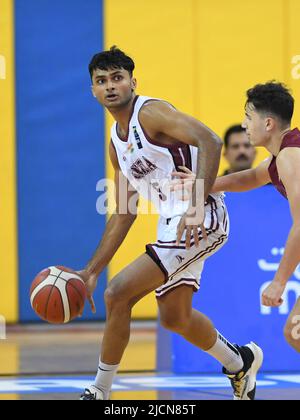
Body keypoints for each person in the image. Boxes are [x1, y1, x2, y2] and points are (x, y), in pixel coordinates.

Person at [78, 47, 262, 401]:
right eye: (101, 81)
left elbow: (209, 139)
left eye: (117, 78)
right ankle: (240, 361)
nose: (110, 86)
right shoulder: (117, 145)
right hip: (171, 223)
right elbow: (125, 211)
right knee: (175, 318)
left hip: (201, 215)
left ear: (133, 81)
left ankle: (99, 390)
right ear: (93, 91)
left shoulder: (150, 112)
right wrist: (91, 269)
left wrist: (194, 204)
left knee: (118, 293)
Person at [172, 81, 300, 357]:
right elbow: (251, 177)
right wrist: (202, 183)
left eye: (248, 117)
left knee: (295, 332)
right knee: (294, 332)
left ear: (267, 124)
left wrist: (279, 281)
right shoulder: (282, 156)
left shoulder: (291, 157)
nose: (244, 124)